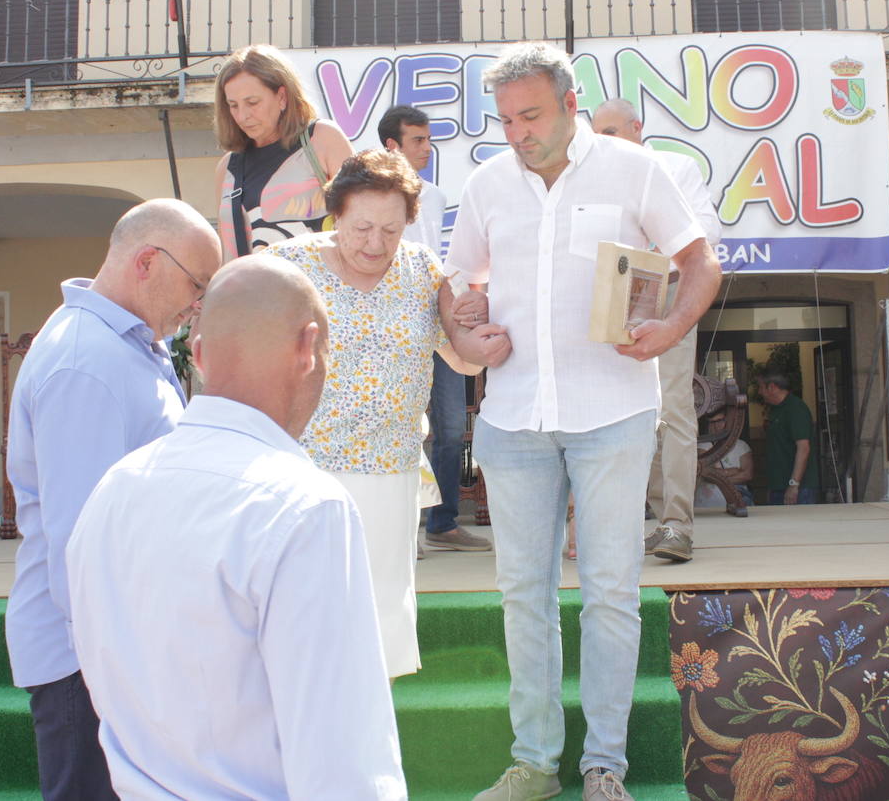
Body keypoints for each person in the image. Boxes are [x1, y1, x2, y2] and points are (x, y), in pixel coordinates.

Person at [445, 42, 720, 801]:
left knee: (610, 593)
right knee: (522, 594)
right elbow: (455, 283)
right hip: (513, 417)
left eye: (531, 114)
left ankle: (606, 767)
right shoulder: (487, 184)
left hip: (613, 413)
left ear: (571, 105)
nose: (518, 132)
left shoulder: (635, 169)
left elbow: (701, 264)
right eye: (505, 119)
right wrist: (464, 333)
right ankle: (535, 762)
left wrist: (670, 331)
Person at [66, 255, 407, 800]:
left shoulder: (113, 490)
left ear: (197, 356)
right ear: (308, 348)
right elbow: (342, 760)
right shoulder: (305, 507)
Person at [5, 199, 221, 800]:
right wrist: (120, 666)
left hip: (118, 647)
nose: (198, 302)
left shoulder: (124, 345)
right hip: (92, 660)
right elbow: (81, 542)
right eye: (196, 284)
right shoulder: (87, 362)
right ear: (148, 261)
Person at [273, 149, 509, 678]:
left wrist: (480, 327)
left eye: (391, 229)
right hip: (308, 471)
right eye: (361, 228)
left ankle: (366, 738)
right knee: (308, 615)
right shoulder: (291, 267)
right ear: (336, 214)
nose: (376, 244)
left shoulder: (422, 269)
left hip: (391, 470)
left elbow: (463, 359)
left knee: (381, 614)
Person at [592, 98, 721, 562]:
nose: (600, 141)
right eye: (595, 134)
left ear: (636, 127)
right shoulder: (593, 179)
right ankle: (643, 521)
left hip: (664, 288)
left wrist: (654, 243)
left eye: (609, 132)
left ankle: (677, 525)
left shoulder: (674, 167)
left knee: (673, 407)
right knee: (618, 407)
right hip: (613, 292)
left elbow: (708, 231)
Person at [378, 103, 493, 553]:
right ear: (393, 145)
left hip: (439, 323)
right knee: (400, 424)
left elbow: (443, 261)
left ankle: (441, 525)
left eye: (428, 139)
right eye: (417, 140)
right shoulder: (368, 194)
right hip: (390, 326)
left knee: (448, 427)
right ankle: (400, 529)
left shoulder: (439, 195)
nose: (428, 148)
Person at [213, 43, 354, 256]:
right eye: (233, 105)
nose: (242, 116)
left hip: (322, 287)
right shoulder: (227, 168)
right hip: (249, 287)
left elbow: (362, 222)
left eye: (252, 102)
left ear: (282, 97)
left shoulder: (323, 139)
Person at [759, 371, 819, 505]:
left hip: (799, 488)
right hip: (778, 486)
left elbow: (803, 448)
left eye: (761, 387)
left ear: (772, 387)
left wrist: (794, 484)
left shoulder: (795, 409)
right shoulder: (775, 409)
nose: (759, 392)